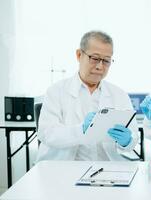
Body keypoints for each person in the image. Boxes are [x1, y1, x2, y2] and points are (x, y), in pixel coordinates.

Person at [36, 30, 138, 161]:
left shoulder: (119, 95)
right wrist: (80, 130)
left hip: (107, 170)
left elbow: (133, 139)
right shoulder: (56, 91)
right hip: (63, 169)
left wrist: (127, 141)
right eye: (95, 58)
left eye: (106, 61)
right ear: (79, 55)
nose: (100, 66)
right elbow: (47, 133)